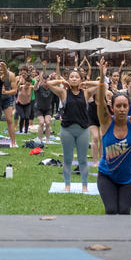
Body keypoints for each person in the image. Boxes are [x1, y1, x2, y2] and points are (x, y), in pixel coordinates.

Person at [94, 58, 131, 215]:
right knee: (111, 210)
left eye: (125, 106)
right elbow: (100, 103)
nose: (122, 109)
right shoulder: (106, 122)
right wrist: (102, 78)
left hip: (130, 177)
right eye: (118, 106)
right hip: (107, 176)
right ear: (112, 107)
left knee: (124, 211)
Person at [46, 57, 100, 193]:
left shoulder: (86, 93)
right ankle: (67, 184)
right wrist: (61, 81)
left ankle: (85, 185)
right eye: (72, 77)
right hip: (67, 130)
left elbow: (100, 84)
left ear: (81, 80)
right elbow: (48, 83)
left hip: (82, 130)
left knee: (82, 160)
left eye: (77, 77)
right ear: (68, 79)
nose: (74, 79)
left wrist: (86, 82)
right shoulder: (63, 92)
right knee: (68, 159)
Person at [34, 63, 56, 145]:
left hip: (48, 108)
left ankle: (47, 140)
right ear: (42, 81)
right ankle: (40, 139)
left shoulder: (51, 88)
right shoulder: (39, 87)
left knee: (47, 122)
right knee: (41, 122)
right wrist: (37, 80)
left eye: (47, 81)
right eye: (44, 81)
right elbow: (35, 87)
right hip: (38, 108)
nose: (46, 82)